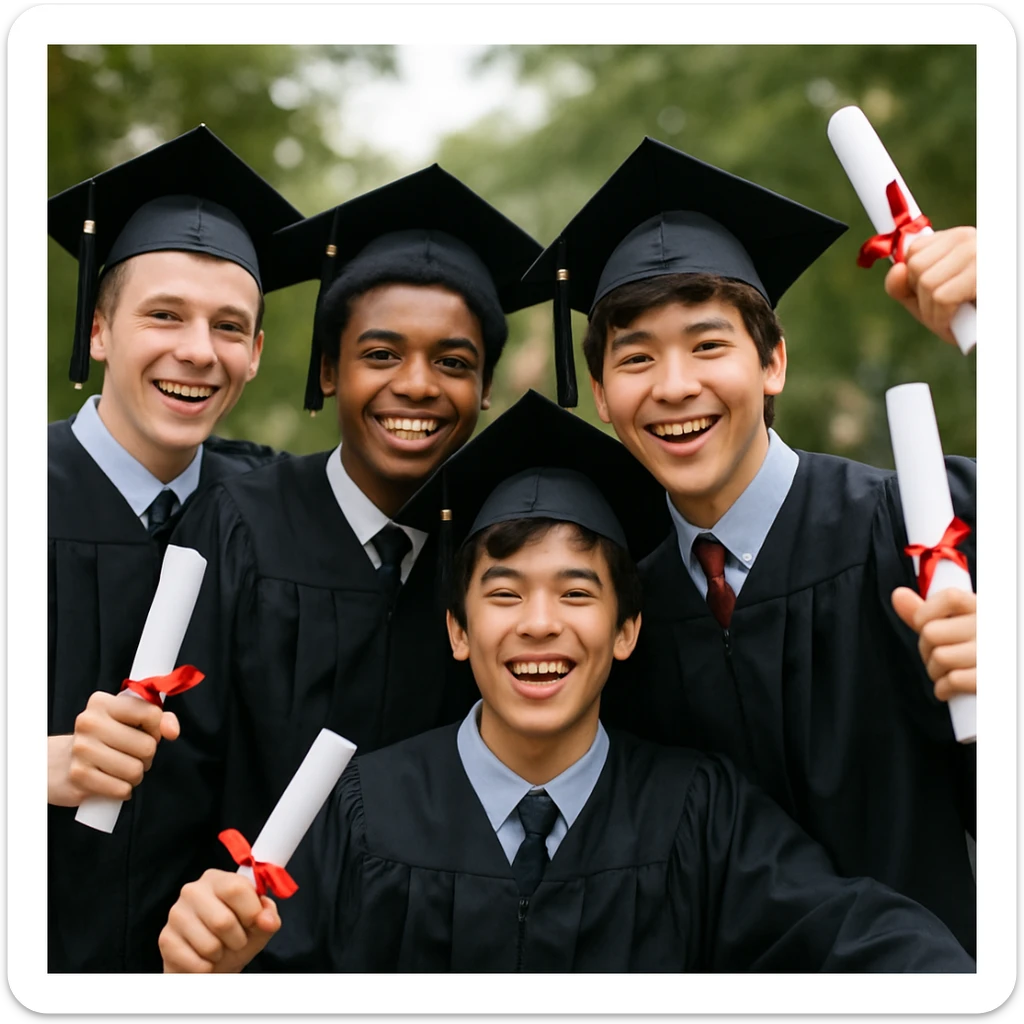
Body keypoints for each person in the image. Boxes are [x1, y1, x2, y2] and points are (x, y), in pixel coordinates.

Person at [156, 393, 974, 973]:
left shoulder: (702, 813)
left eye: (577, 592)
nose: (539, 622)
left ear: (627, 631)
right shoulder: (357, 813)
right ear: (456, 629)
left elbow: (849, 932)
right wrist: (208, 967)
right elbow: (253, 967)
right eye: (503, 592)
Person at [521, 137, 977, 955]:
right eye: (636, 358)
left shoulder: (929, 525)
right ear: (600, 397)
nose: (673, 386)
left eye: (708, 345)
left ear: (773, 363)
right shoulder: (624, 620)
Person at [128, 165, 546, 970]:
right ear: (329, 371)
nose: (416, 386)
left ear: (486, 386)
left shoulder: (500, 560)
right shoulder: (240, 524)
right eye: (381, 353)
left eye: (454, 363)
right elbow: (172, 782)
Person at [46, 125, 302, 972]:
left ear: (257, 354)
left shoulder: (272, 512)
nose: (199, 350)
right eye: (164, 315)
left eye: (230, 327)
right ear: (99, 331)